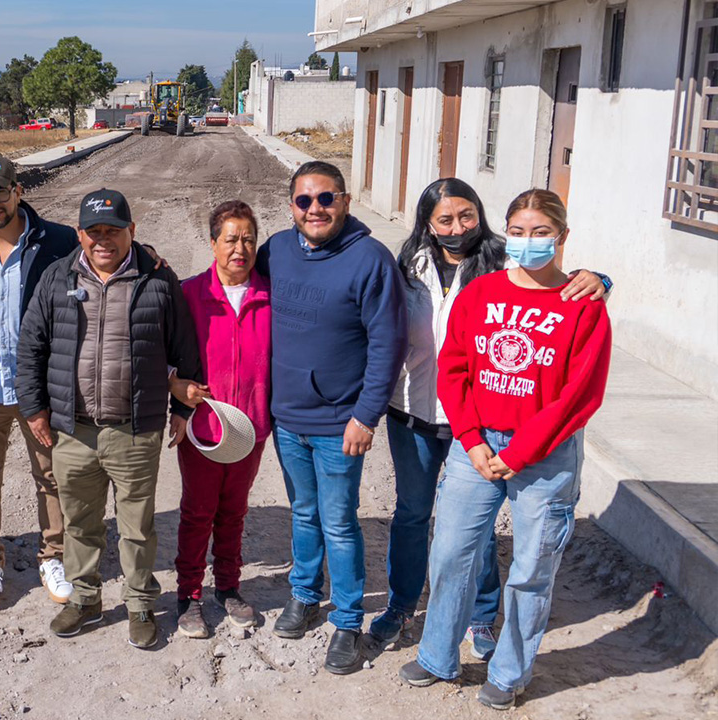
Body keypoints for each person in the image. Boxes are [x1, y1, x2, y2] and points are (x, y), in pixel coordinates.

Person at [372, 178, 610, 656]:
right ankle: (401, 605)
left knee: (473, 531)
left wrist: (600, 280)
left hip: (475, 422)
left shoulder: (505, 261)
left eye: (467, 215)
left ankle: (480, 617)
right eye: (444, 219)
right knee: (413, 515)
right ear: (428, 224)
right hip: (414, 409)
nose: (457, 227)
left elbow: (555, 284)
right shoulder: (408, 265)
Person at [16, 188, 201, 649]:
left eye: (113, 230)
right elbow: (31, 347)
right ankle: (84, 598)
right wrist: (35, 408)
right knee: (80, 522)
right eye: (94, 231)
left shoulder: (158, 280)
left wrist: (182, 410)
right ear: (79, 233)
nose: (104, 240)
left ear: (131, 231)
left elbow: (185, 349)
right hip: (73, 430)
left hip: (134, 430)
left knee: (137, 526)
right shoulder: (57, 278)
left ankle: (140, 603)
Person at [256, 160, 407, 675]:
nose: (315, 209)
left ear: (345, 200)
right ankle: (304, 594)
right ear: (291, 206)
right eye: (304, 200)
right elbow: (232, 276)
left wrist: (366, 416)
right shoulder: (277, 250)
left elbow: (388, 344)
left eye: (325, 198)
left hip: (340, 423)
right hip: (287, 417)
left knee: (339, 522)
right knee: (303, 512)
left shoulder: (370, 259)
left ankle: (346, 620)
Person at [0, 154, 78, 612]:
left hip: (39, 391)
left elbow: (111, 251)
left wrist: (148, 256)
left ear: (18, 191)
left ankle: (55, 556)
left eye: (0, 190)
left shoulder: (58, 242)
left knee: (52, 476)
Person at [168, 200, 272, 639]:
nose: (240, 249)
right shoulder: (190, 294)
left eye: (248, 239)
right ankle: (189, 594)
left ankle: (228, 587)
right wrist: (175, 386)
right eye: (230, 239)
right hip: (205, 430)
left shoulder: (270, 296)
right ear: (212, 244)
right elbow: (163, 352)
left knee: (233, 512)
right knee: (198, 512)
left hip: (250, 428)